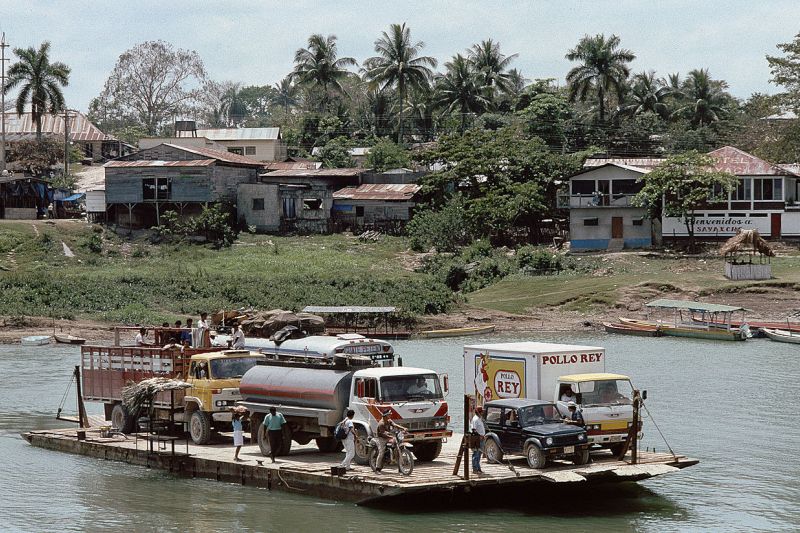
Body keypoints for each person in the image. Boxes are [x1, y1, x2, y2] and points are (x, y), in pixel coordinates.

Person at [470, 405, 486, 474]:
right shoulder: (475, 419)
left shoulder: (479, 418)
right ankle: (475, 469)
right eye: (482, 412)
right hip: (477, 439)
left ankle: (478, 468)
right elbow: (474, 430)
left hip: (481, 438)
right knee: (476, 454)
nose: (483, 413)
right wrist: (479, 436)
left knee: (479, 454)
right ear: (479, 412)